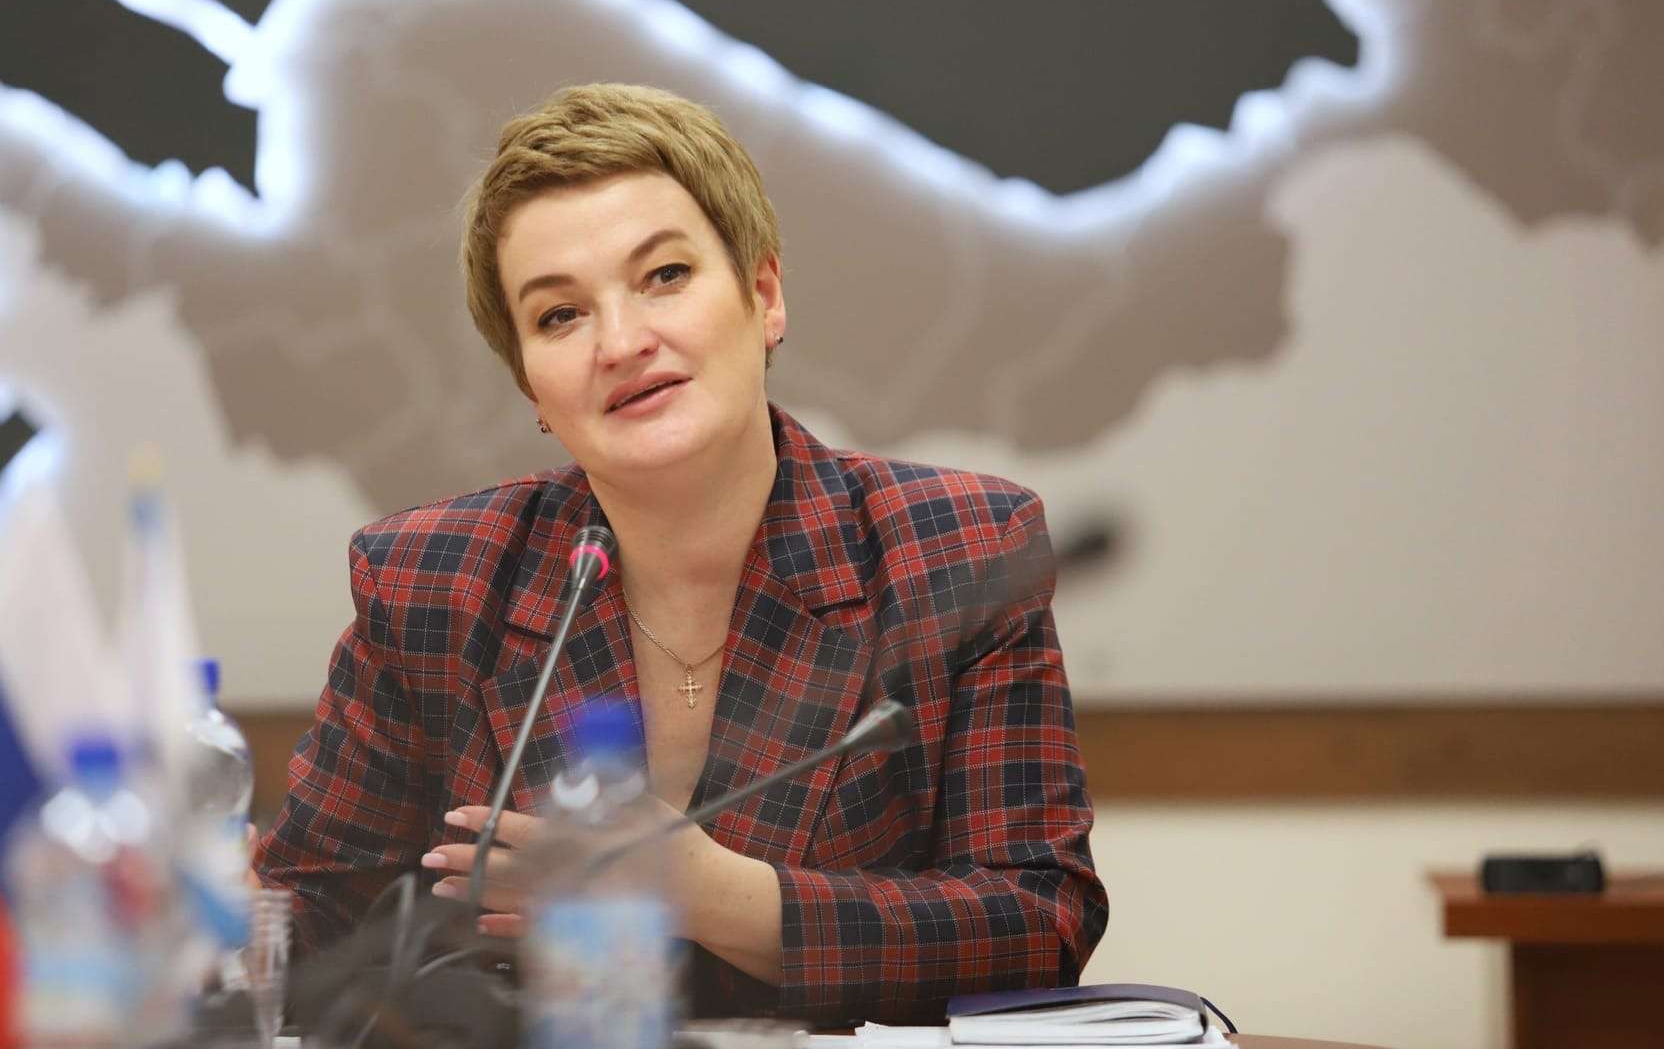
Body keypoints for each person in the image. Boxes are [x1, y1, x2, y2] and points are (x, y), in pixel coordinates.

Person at [253, 84, 1108, 1023]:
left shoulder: (955, 550)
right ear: (532, 388)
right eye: (559, 316)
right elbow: (308, 925)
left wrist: (708, 893)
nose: (622, 342)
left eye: (664, 275)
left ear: (763, 296)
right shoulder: (436, 582)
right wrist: (207, 906)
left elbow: (1038, 923)